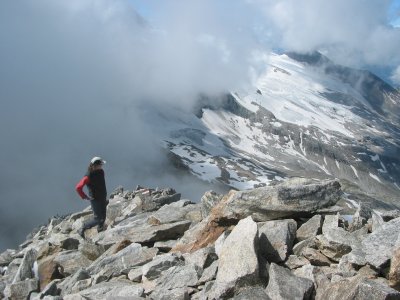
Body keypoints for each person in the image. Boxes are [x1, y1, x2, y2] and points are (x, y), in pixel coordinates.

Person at [75, 156, 108, 238]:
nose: (102, 166)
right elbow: (78, 187)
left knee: (103, 217)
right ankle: (83, 227)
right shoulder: (88, 176)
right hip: (95, 199)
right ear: (95, 165)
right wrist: (85, 196)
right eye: (100, 164)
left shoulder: (101, 171)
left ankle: (100, 232)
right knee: (98, 219)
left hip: (102, 196)